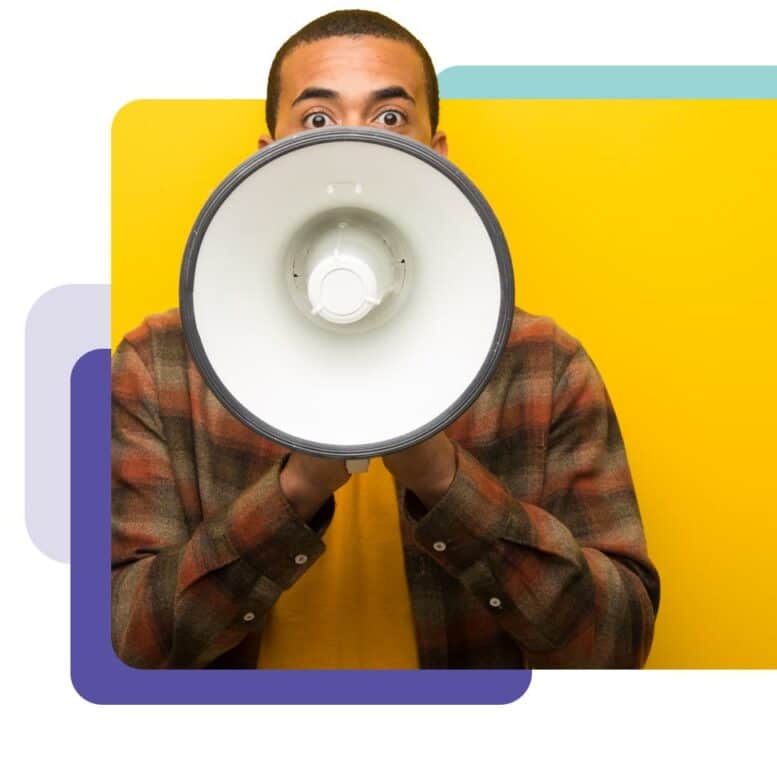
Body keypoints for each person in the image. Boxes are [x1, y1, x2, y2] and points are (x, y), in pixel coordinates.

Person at [111, 9, 659, 670]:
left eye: (391, 118)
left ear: (438, 155)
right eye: (316, 120)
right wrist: (295, 490)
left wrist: (441, 476)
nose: (354, 145)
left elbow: (617, 645)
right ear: (265, 158)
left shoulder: (544, 366)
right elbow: (126, 644)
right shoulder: (161, 366)